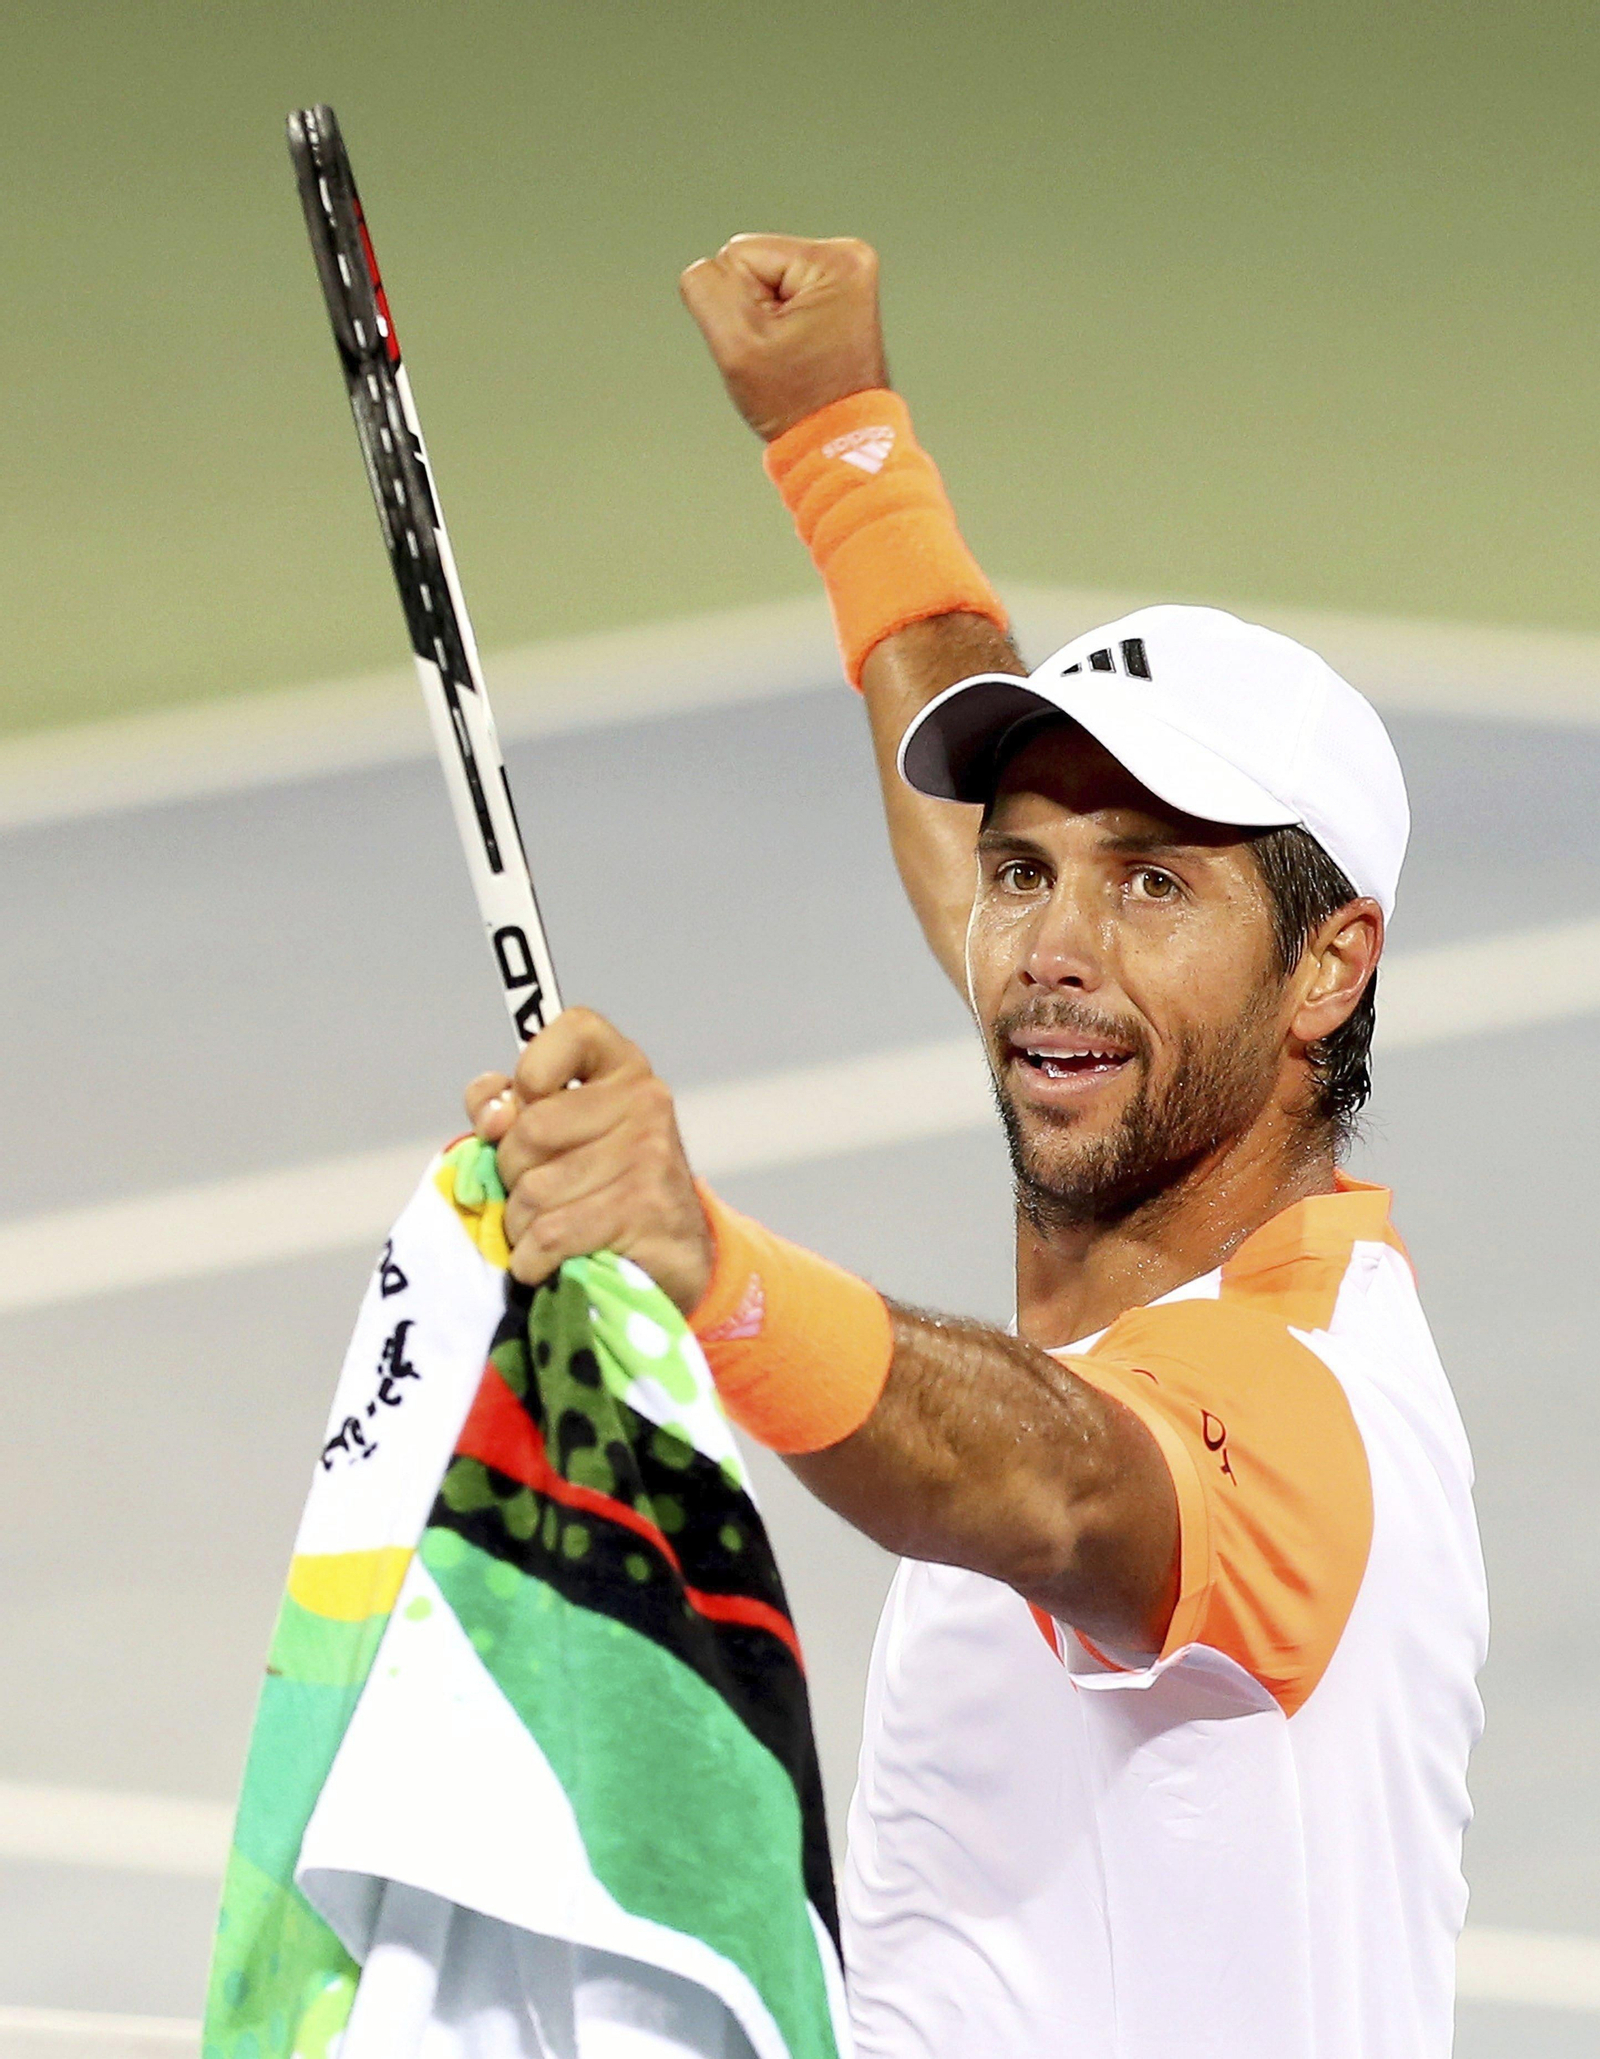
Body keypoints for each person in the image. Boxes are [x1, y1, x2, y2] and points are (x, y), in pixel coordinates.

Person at [465, 236, 1487, 2058]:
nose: (1049, 946)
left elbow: (1055, 1483)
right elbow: (1026, 881)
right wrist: (841, 440)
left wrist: (703, 1255)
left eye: (1156, 881)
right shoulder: (1117, 1031)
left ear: (1329, 968)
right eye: (1026, 872)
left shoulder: (1307, 1413)